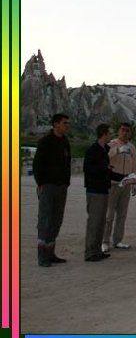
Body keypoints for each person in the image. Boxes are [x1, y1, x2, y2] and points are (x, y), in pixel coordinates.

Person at [32, 113, 71, 267]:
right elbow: (37, 164)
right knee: (45, 219)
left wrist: (66, 182)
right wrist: (41, 183)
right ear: (56, 124)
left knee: (56, 219)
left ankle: (50, 251)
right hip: (48, 185)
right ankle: (42, 255)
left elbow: (67, 163)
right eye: (64, 123)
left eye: (67, 123)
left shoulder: (65, 142)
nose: (67, 126)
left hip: (61, 186)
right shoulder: (45, 142)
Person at [102, 122, 136, 252]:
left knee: (122, 214)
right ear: (118, 131)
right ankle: (105, 241)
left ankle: (118, 240)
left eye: (127, 130)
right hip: (113, 183)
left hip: (126, 182)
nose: (125, 133)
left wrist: (134, 182)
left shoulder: (132, 147)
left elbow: (134, 165)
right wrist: (117, 150)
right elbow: (105, 157)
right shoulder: (111, 144)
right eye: (123, 130)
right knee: (109, 215)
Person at [83, 124, 113, 262]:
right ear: (104, 134)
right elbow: (89, 170)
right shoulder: (93, 151)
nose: (111, 136)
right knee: (94, 222)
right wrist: (105, 168)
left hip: (103, 189)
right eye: (109, 133)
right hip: (95, 190)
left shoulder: (104, 150)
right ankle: (90, 252)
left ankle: (97, 250)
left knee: (101, 222)